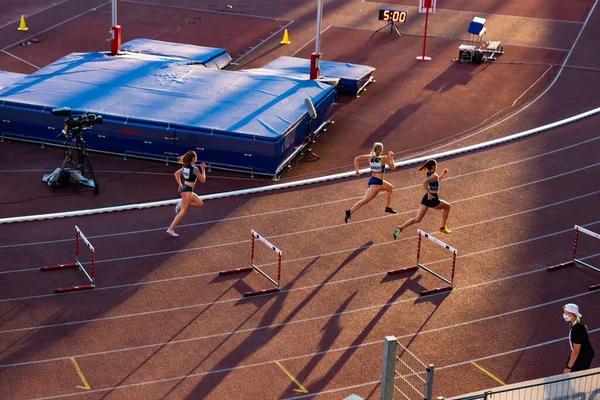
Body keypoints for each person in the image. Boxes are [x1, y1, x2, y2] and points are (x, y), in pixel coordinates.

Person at [393, 159, 452, 238]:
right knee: (447, 207)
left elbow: (436, 181)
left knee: (417, 219)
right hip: (432, 199)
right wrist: (429, 194)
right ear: (433, 166)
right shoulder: (434, 175)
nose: (437, 167)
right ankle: (442, 227)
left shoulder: (430, 174)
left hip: (426, 199)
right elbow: (424, 183)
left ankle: (400, 228)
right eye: (436, 166)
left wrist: (443, 174)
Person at [345, 142, 396, 223]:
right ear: (380, 150)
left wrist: (357, 171)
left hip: (374, 180)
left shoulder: (369, 157)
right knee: (365, 200)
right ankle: (349, 212)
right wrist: (391, 157)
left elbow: (356, 159)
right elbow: (392, 167)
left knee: (390, 188)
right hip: (376, 183)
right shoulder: (384, 158)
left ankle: (387, 207)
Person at [166, 151, 206, 238]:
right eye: (195, 157)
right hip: (187, 191)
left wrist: (180, 184)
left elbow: (176, 173)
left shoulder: (185, 167)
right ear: (192, 158)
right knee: (183, 211)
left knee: (200, 203)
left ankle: (181, 203)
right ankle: (170, 229)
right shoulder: (195, 169)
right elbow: (203, 180)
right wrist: (203, 169)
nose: (196, 158)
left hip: (187, 190)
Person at [563, 303, 595, 373]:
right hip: (581, 353)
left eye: (565, 313)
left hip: (584, 355)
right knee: (569, 366)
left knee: (573, 372)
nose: (564, 314)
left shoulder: (577, 329)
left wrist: (568, 368)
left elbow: (576, 351)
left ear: (571, 314)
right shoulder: (574, 322)